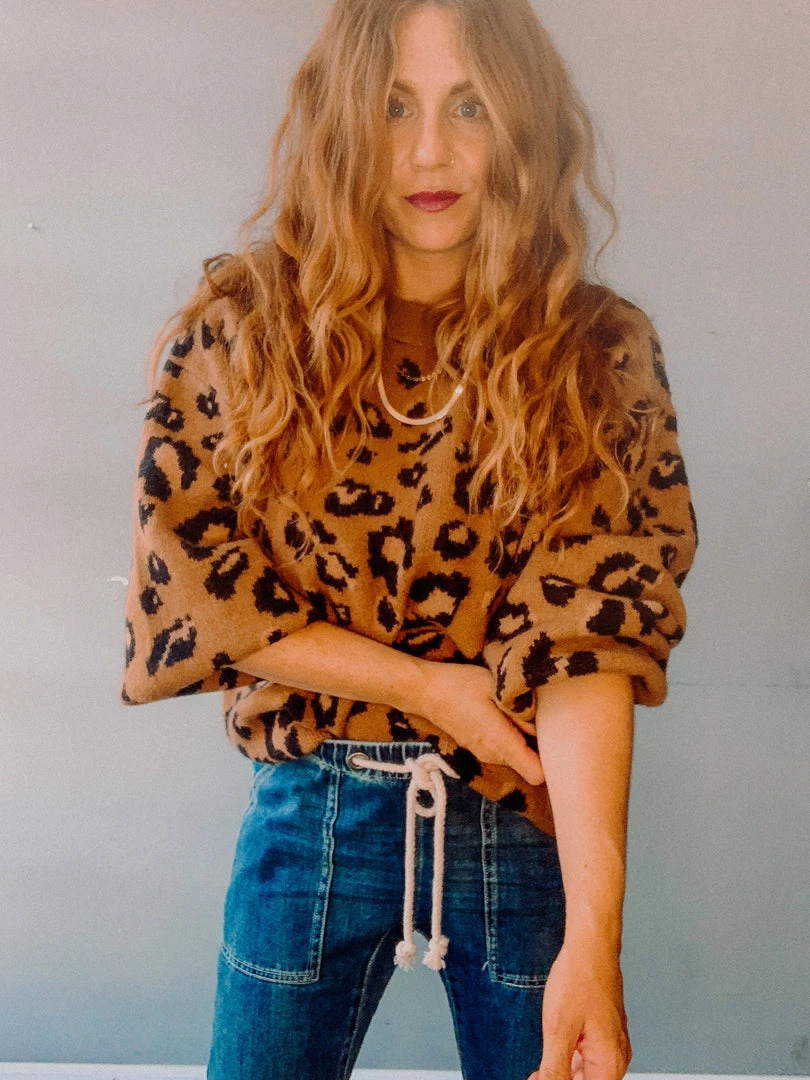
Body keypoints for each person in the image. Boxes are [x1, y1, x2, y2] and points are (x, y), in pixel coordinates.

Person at [122, 1, 697, 1078]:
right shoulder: (244, 331)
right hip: (313, 811)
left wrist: (595, 937)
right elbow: (197, 597)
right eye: (394, 106)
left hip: (516, 817)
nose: (430, 150)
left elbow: (591, 647)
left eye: (469, 106)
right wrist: (430, 689)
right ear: (342, 120)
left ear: (522, 122)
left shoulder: (594, 351)